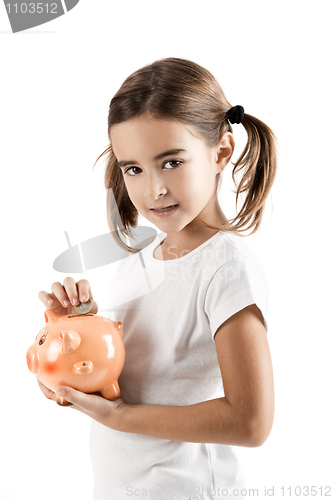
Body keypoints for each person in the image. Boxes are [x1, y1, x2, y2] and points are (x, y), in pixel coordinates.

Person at [38, 57, 276, 500]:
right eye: (134, 169)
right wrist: (73, 341)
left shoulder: (226, 268)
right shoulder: (140, 257)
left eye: (171, 162)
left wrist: (119, 417)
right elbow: (138, 376)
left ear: (221, 152)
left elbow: (251, 422)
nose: (154, 190)